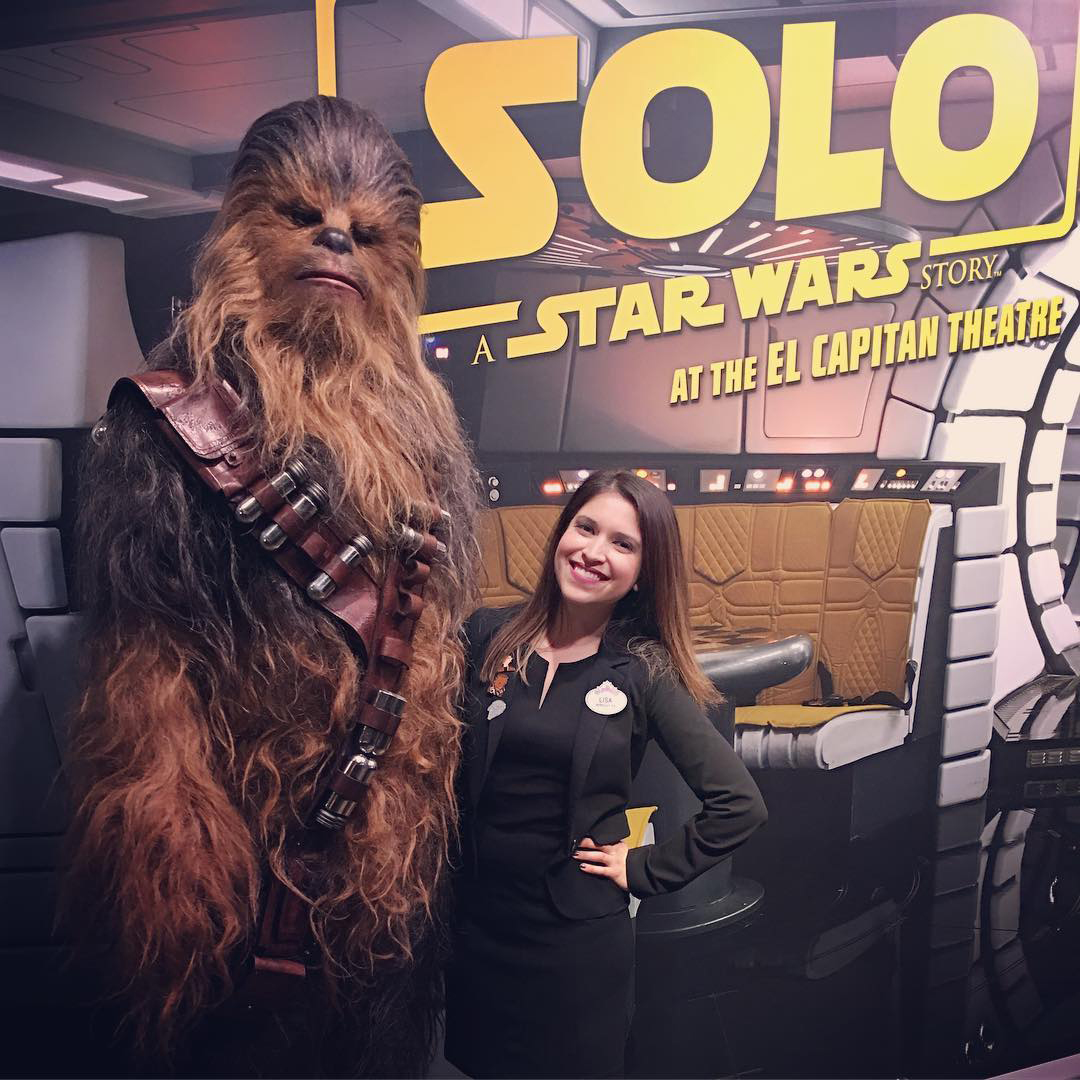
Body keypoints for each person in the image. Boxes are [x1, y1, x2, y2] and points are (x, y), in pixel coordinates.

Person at [63, 97, 479, 1078]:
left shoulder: (427, 441)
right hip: (226, 854)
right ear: (244, 224)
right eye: (303, 213)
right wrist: (179, 860)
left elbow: (431, 650)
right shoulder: (170, 418)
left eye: (366, 232)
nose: (335, 236)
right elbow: (142, 657)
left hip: (373, 841)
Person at [444, 469, 768, 1079]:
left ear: (644, 573)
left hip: (573, 946)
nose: (593, 552)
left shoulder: (643, 669)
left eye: (623, 544)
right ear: (562, 532)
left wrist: (644, 869)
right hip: (476, 931)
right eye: (585, 527)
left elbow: (740, 805)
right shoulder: (486, 635)